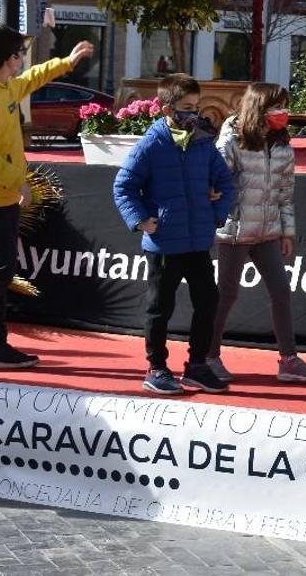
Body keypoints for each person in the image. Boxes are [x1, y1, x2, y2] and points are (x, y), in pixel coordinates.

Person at [0, 26, 94, 370]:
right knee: (0, 268)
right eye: (19, 54)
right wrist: (18, 181)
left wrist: (65, 63)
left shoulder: (4, 87)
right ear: (9, 58)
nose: (23, 59)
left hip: (2, 193)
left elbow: (31, 80)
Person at [113, 74, 236, 395]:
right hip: (164, 244)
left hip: (198, 241)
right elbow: (123, 186)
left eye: (196, 107)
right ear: (167, 109)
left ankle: (196, 366)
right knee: (160, 308)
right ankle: (157, 368)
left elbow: (225, 183)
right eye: (186, 107)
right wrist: (141, 220)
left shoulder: (203, 143)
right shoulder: (152, 144)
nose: (193, 113)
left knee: (207, 301)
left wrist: (216, 214)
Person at [206, 82, 306, 384]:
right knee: (226, 294)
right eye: (276, 107)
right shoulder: (231, 141)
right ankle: (208, 356)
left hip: (268, 232)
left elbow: (286, 193)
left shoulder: (284, 145)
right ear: (259, 108)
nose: (284, 113)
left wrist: (287, 232)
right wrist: (215, 201)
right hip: (234, 231)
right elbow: (215, 178)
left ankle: (289, 360)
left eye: (286, 106)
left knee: (282, 291)